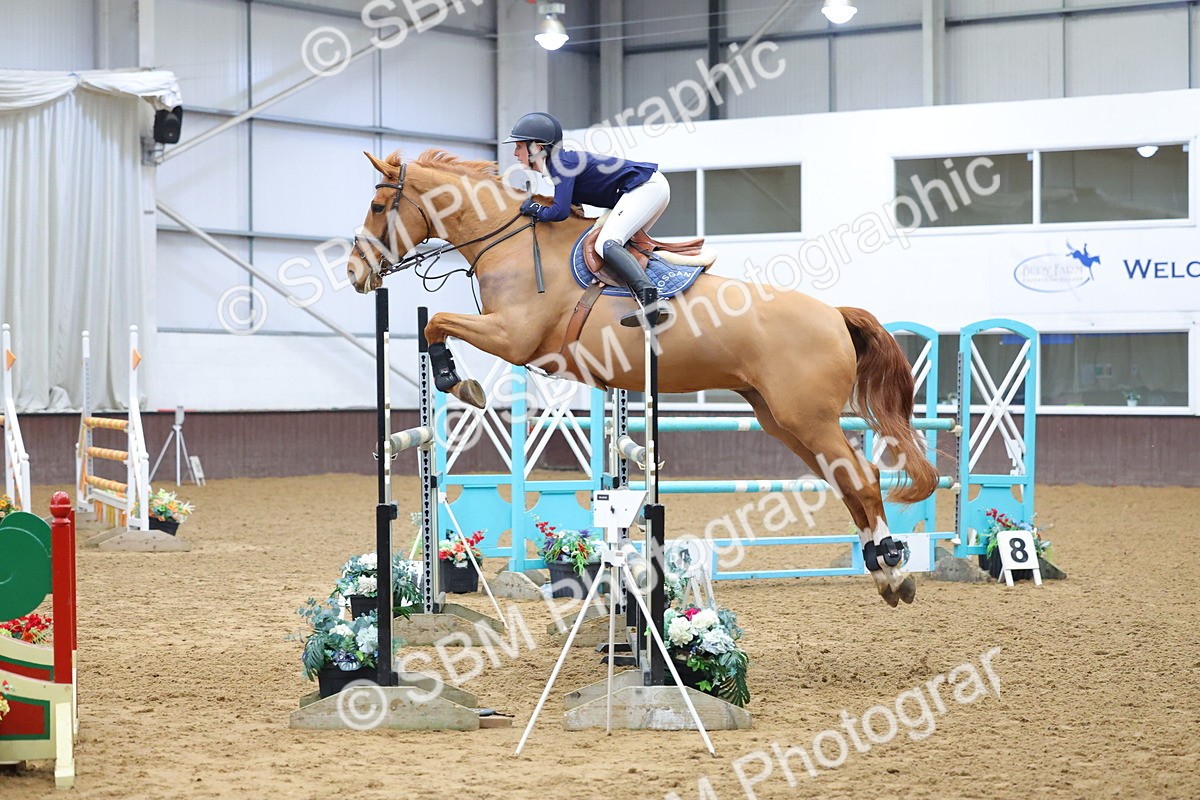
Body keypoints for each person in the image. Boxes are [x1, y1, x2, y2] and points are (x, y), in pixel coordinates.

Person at [504, 111, 673, 327]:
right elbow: (577, 212)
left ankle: (652, 301)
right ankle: (642, 299)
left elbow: (560, 212)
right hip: (644, 190)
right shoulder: (559, 165)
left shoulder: (561, 164)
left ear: (536, 147)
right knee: (617, 248)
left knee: (606, 244)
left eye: (518, 146)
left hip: (646, 188)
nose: (514, 154)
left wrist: (535, 208)